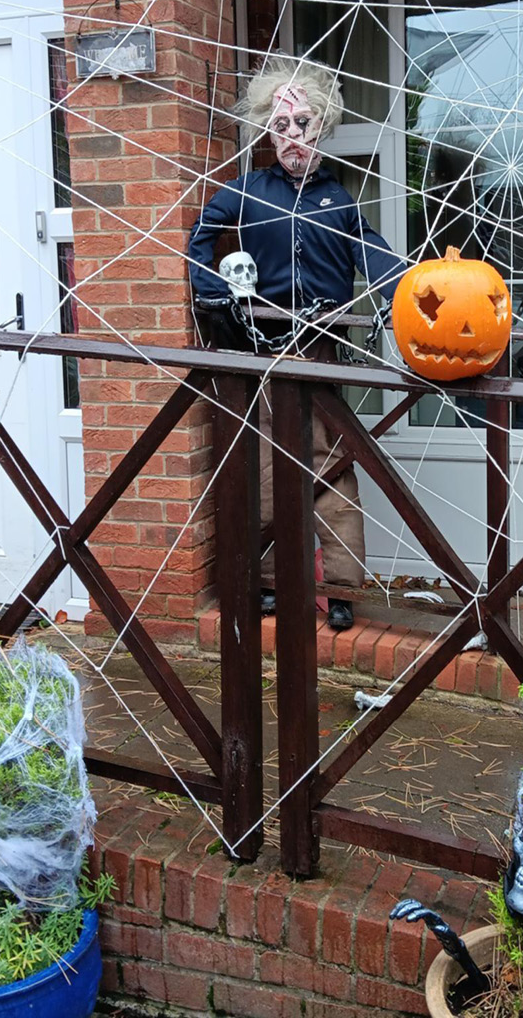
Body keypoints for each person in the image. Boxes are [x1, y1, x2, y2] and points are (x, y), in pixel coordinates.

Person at [188, 57, 406, 630]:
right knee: (267, 467)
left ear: (322, 126)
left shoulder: (339, 200)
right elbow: (200, 236)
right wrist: (213, 292)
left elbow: (374, 255)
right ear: (268, 130)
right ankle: (269, 581)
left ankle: (339, 589)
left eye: (303, 124)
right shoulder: (246, 191)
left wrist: (405, 296)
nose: (292, 137)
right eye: (280, 126)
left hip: (323, 351)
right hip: (265, 351)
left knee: (331, 469)